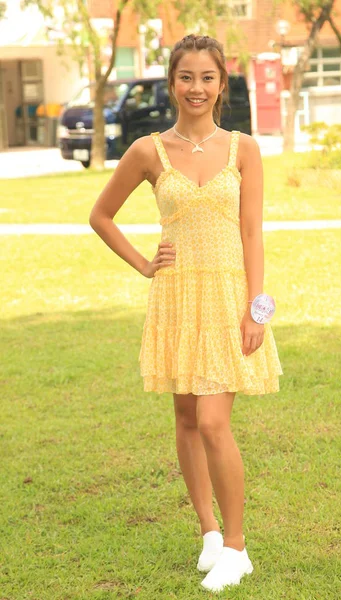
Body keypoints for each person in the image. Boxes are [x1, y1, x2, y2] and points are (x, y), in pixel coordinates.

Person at [89, 33, 283, 593]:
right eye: (185, 77)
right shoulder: (150, 150)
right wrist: (144, 264)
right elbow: (101, 215)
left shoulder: (244, 148)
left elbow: (252, 233)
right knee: (186, 419)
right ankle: (209, 535)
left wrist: (258, 309)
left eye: (207, 77)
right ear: (171, 83)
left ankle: (239, 549)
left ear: (222, 84)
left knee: (216, 422)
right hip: (176, 297)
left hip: (227, 301)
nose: (196, 88)